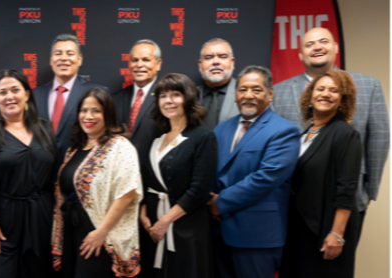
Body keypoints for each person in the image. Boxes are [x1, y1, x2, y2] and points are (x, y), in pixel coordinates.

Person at [273, 27, 391, 239]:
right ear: (300, 55)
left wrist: (368, 193)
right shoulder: (277, 91)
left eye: (323, 41)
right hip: (293, 200)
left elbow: (379, 139)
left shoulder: (368, 85)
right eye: (309, 44)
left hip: (347, 198)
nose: (317, 47)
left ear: (336, 48)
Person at [207, 65, 300, 278]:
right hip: (218, 233)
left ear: (270, 94)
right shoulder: (222, 128)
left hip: (256, 237)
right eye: (242, 90)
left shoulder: (284, 131)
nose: (248, 95)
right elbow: (210, 170)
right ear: (235, 95)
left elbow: (265, 179)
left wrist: (219, 203)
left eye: (256, 90)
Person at [0, 69, 57, 278]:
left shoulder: (45, 129)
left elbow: (53, 177)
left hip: (39, 218)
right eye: (3, 92)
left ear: (26, 94)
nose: (9, 97)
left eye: (15, 90)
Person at [51, 87, 143, 278]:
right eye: (84, 110)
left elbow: (127, 195)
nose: (88, 116)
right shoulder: (73, 150)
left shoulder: (120, 147)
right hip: (72, 233)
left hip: (100, 236)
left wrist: (101, 232)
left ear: (107, 115)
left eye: (96, 111)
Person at [279, 70, 362, 277]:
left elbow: (347, 189)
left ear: (342, 100)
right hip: (299, 229)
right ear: (310, 95)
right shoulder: (305, 134)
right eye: (321, 89)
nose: (325, 94)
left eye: (334, 91)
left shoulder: (345, 134)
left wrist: (337, 234)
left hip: (324, 232)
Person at [138, 73, 216, 278]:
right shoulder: (157, 139)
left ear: (188, 98)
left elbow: (199, 189)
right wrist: (143, 211)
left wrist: (165, 222)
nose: (168, 101)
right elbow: (148, 182)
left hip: (186, 229)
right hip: (153, 230)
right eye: (163, 96)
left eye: (175, 94)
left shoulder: (203, 136)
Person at [110, 40, 165, 278]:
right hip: (117, 196)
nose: (139, 65)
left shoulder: (167, 99)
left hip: (152, 197)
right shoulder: (115, 99)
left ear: (158, 64)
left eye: (146, 60)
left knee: (150, 263)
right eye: (135, 60)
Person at [33, 34, 107, 154]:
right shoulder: (35, 95)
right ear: (51, 59)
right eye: (58, 53)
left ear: (79, 59)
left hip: (78, 167)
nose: (63, 58)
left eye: (70, 53)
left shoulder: (95, 93)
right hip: (41, 169)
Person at [197, 38, 241, 130]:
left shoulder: (247, 94)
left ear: (232, 62)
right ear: (200, 65)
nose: (216, 61)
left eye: (222, 56)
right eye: (209, 57)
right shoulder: (189, 96)